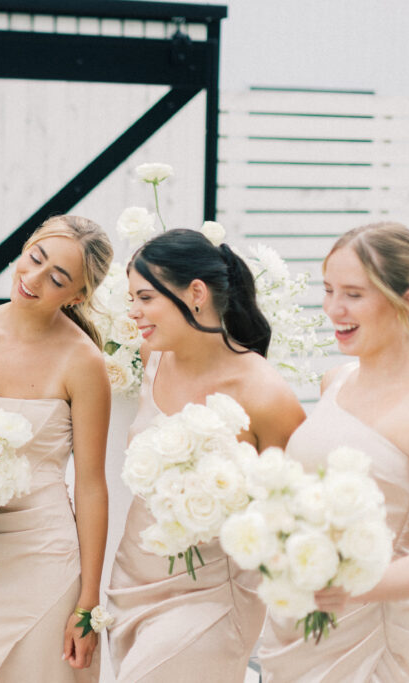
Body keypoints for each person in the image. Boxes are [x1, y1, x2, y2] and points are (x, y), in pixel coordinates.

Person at [106, 228, 304, 681]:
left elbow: (290, 511)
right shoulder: (153, 358)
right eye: (131, 298)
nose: (133, 312)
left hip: (212, 593)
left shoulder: (265, 393)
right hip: (132, 580)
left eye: (145, 297)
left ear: (195, 293)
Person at [0, 214, 112, 682]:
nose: (32, 279)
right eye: (34, 258)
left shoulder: (84, 363)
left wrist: (88, 605)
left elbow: (92, 486)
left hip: (45, 557)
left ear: (77, 296)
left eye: (56, 278)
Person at [257, 222, 409, 682]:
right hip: (294, 628)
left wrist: (352, 586)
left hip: (373, 635)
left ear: (407, 302)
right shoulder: (333, 383)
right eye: (329, 289)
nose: (334, 308)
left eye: (353, 294)